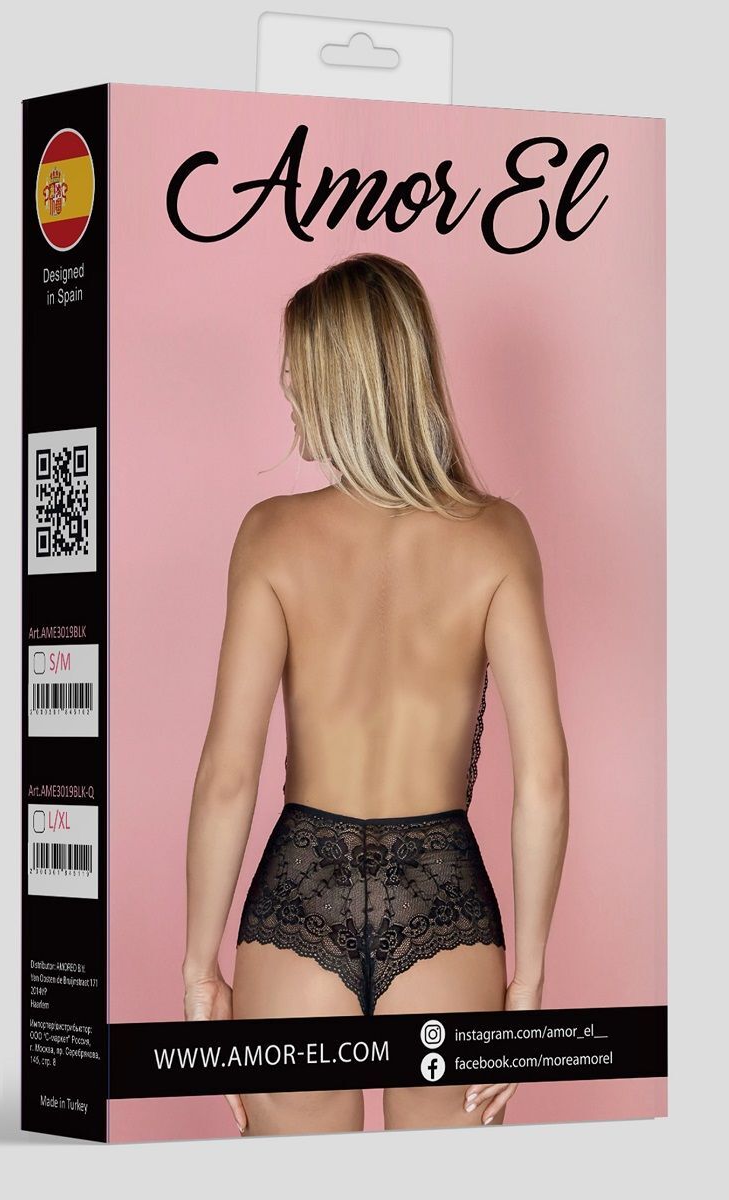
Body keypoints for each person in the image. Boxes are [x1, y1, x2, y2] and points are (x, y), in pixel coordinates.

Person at [182, 253, 569, 1137]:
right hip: (444, 897)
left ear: (343, 381)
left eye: (298, 373)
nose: (287, 390)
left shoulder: (271, 536)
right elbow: (544, 777)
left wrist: (201, 968)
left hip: (298, 894)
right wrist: (530, 981)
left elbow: (227, 777)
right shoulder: (497, 537)